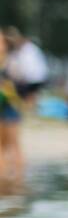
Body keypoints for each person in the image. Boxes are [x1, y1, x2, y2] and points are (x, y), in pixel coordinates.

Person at [0, 36, 23, 181]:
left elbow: (16, 84)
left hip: (9, 107)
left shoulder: (10, 62)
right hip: (7, 107)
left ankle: (14, 181)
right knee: (4, 146)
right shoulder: (9, 62)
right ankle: (9, 180)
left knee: (12, 145)